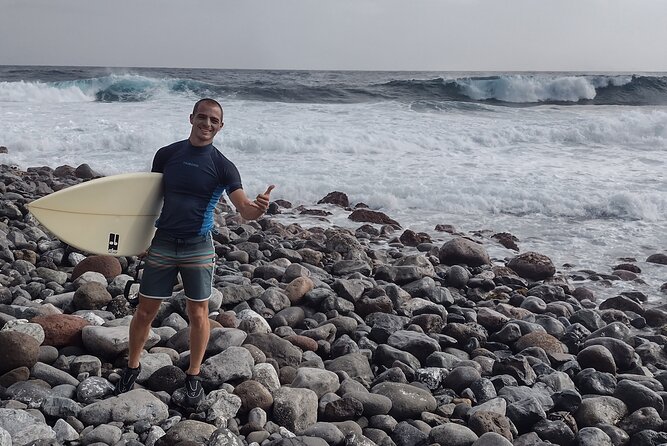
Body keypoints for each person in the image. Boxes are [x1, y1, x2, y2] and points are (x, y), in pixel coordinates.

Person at [114, 98, 274, 406]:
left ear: (221, 126)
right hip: (163, 241)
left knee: (198, 313)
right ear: (191, 118)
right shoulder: (167, 155)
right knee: (145, 310)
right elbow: (149, 198)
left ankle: (194, 374)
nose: (207, 124)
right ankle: (132, 367)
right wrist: (139, 236)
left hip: (198, 246)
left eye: (214, 121)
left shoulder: (223, 166)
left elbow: (244, 210)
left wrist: (259, 209)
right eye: (203, 117)